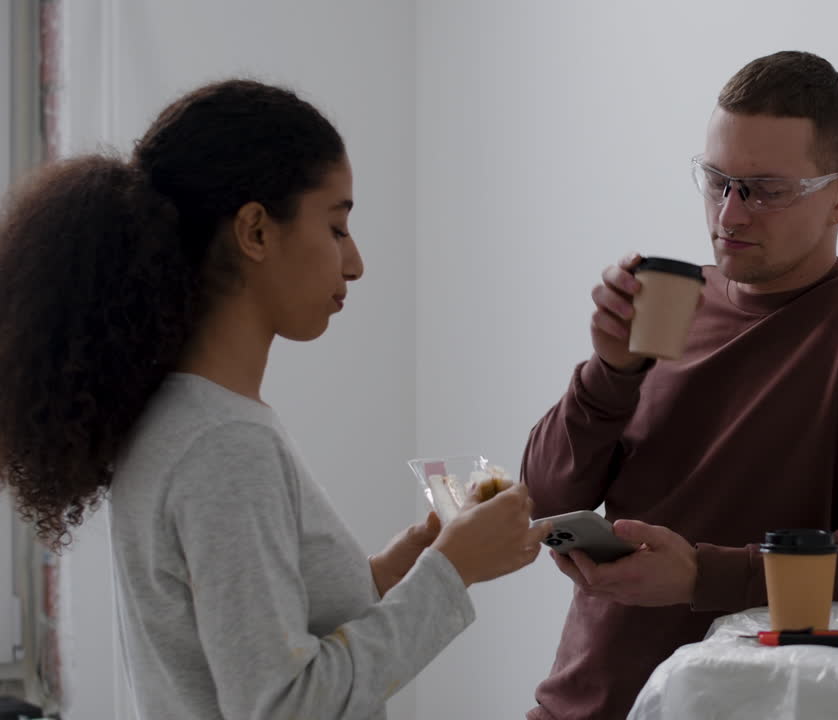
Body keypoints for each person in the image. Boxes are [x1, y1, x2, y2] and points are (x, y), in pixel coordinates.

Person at [0, 79, 548, 719]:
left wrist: (387, 576)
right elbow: (283, 706)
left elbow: (256, 642)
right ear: (256, 231)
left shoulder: (183, 420)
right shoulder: (224, 446)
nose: (356, 263)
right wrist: (451, 573)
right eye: (337, 226)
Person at [522, 51, 838, 719]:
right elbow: (546, 498)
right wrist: (608, 373)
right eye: (716, 180)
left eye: (764, 189)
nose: (729, 215)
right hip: (582, 705)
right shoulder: (671, 300)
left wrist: (704, 576)